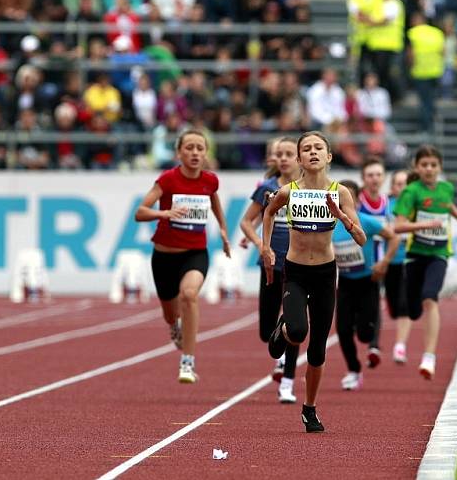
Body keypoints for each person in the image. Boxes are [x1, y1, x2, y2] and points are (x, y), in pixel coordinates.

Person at [261, 131, 366, 433]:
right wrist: (266, 247)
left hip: (324, 273)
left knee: (317, 349)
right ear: (299, 159)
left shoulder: (341, 193)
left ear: (329, 156)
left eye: (319, 147)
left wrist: (340, 216)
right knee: (297, 330)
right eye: (306, 149)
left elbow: (361, 238)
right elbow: (268, 213)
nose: (313, 152)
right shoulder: (289, 191)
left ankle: (309, 409)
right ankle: (282, 329)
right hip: (295, 271)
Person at [135, 130, 231, 383]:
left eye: (200, 148)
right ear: (179, 153)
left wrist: (222, 229)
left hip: (195, 254)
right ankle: (174, 326)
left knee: (189, 295)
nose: (195, 153)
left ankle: (187, 362)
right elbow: (140, 211)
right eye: (189, 148)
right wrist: (164, 214)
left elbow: (214, 202)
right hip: (164, 256)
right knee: (170, 313)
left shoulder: (210, 180)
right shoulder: (167, 180)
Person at [392, 145, 457, 379]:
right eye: (424, 165)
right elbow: (397, 226)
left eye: (433, 165)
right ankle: (416, 311)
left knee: (431, 297)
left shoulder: (446, 188)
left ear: (439, 168)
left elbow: (448, 205)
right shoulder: (411, 192)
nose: (429, 169)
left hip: (438, 254)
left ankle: (429, 357)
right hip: (415, 256)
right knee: (414, 308)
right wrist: (423, 225)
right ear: (417, 167)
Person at [239, 137, 301, 404]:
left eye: (289, 153)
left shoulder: (308, 189)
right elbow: (246, 222)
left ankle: (287, 381)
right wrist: (260, 245)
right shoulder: (266, 189)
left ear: (298, 158)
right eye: (280, 154)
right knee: (267, 330)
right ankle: (281, 342)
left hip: (299, 266)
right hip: (270, 264)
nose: (284, 158)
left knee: (295, 324)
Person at [333, 180, 399, 390]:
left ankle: (367, 335)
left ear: (358, 200)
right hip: (344, 282)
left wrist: (384, 262)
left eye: (350, 197)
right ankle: (353, 369)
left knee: (365, 334)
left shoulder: (367, 221)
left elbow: (394, 237)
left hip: (367, 281)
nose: (345, 202)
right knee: (342, 329)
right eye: (341, 198)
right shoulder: (330, 225)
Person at [356, 157, 392, 367]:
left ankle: (374, 345)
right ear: (363, 178)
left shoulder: (387, 203)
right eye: (370, 175)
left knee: (376, 303)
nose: (375, 179)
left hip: (377, 263)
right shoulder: (357, 201)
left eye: (378, 175)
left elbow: (391, 232)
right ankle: (361, 331)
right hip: (354, 262)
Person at [387, 169, 412, 364]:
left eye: (406, 183)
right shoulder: (386, 207)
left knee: (404, 305)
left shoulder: (416, 207)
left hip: (409, 262)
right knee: (394, 308)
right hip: (388, 263)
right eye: (398, 184)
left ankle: (400, 346)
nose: (402, 187)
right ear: (392, 187)